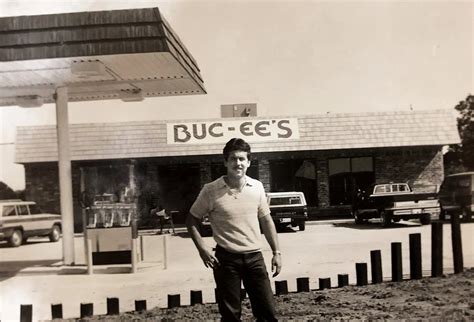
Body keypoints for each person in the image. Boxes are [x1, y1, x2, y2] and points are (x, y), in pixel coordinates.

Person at [186, 138, 281, 321]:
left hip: (255, 259)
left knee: (267, 312)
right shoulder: (211, 190)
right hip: (226, 261)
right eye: (233, 159)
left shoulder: (257, 187)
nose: (238, 163)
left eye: (242, 159)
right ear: (225, 162)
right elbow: (191, 219)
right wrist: (202, 249)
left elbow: (266, 220)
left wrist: (277, 252)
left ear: (249, 162)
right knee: (230, 316)